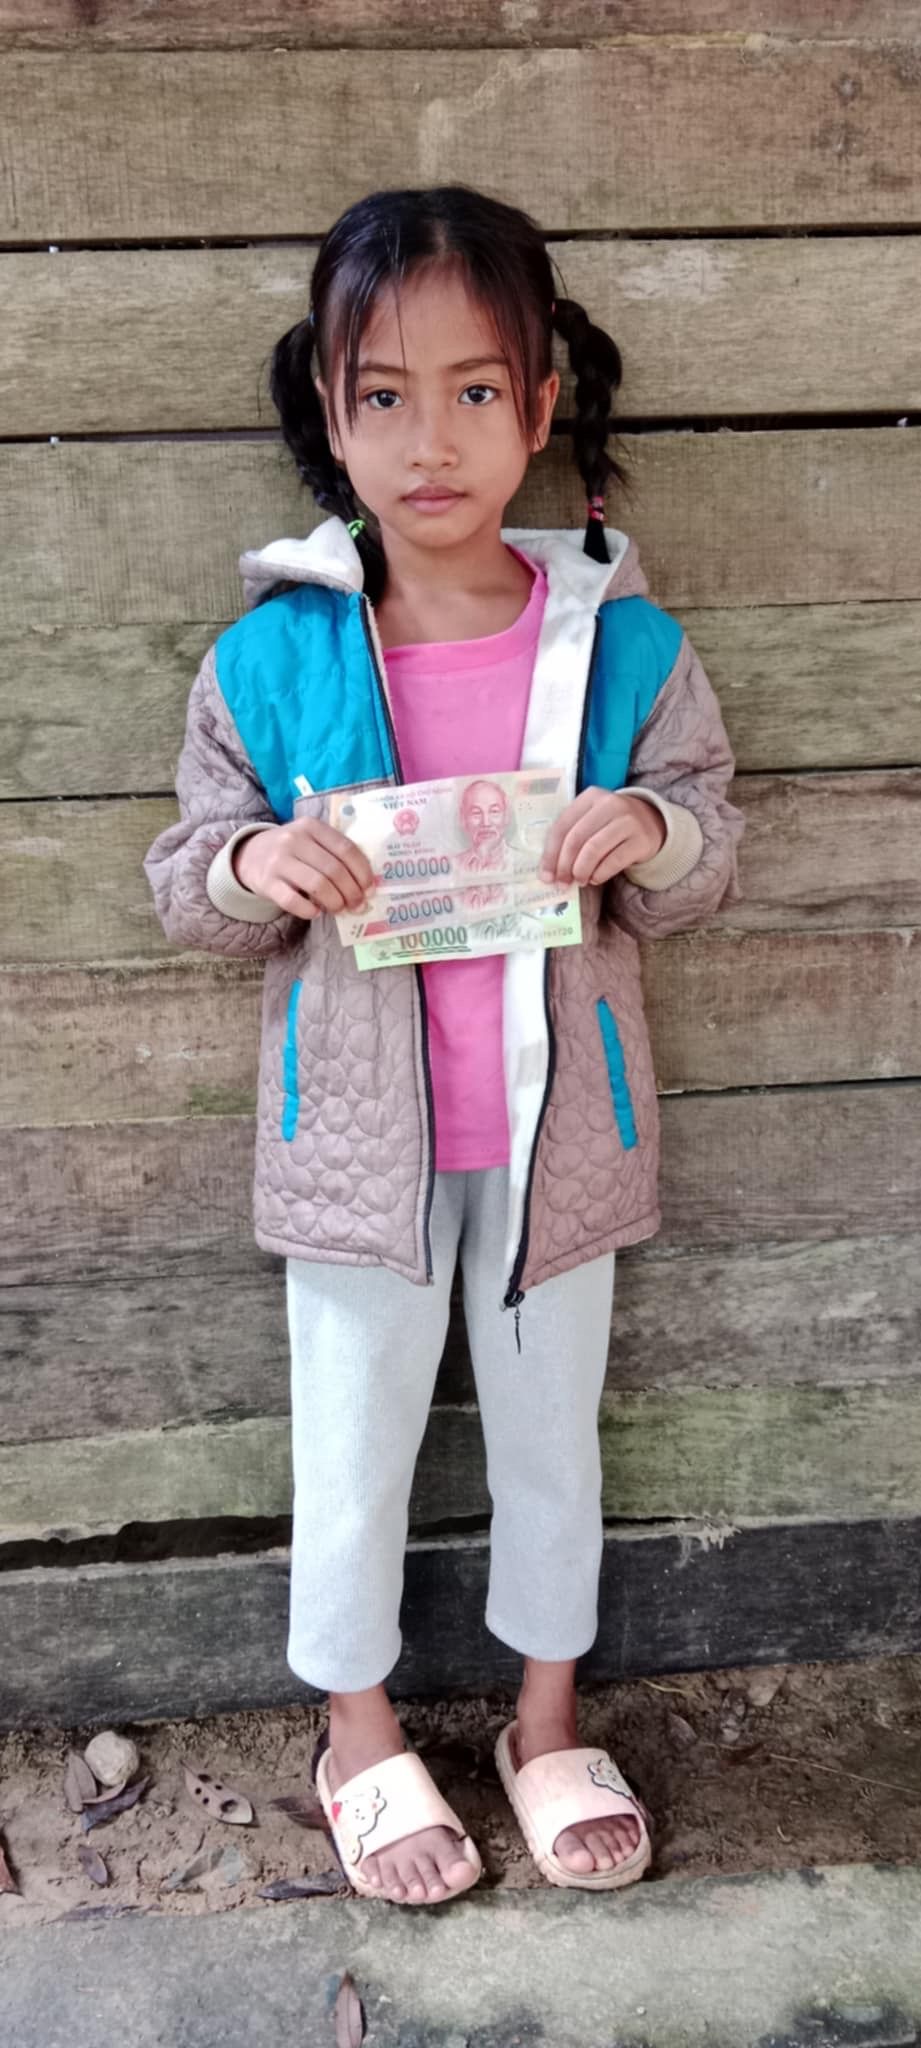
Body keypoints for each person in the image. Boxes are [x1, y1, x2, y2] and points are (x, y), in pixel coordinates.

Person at [143, 183, 745, 1909]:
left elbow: (707, 841)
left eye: (476, 389)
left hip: (564, 1150)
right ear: (328, 419)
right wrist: (258, 867)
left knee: (555, 1444)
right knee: (352, 1450)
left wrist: (649, 828)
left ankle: (546, 1721)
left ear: (540, 407)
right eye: (384, 394)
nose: (431, 439)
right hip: (355, 1155)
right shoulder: (271, 661)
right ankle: (356, 1733)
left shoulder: (620, 646)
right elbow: (189, 874)